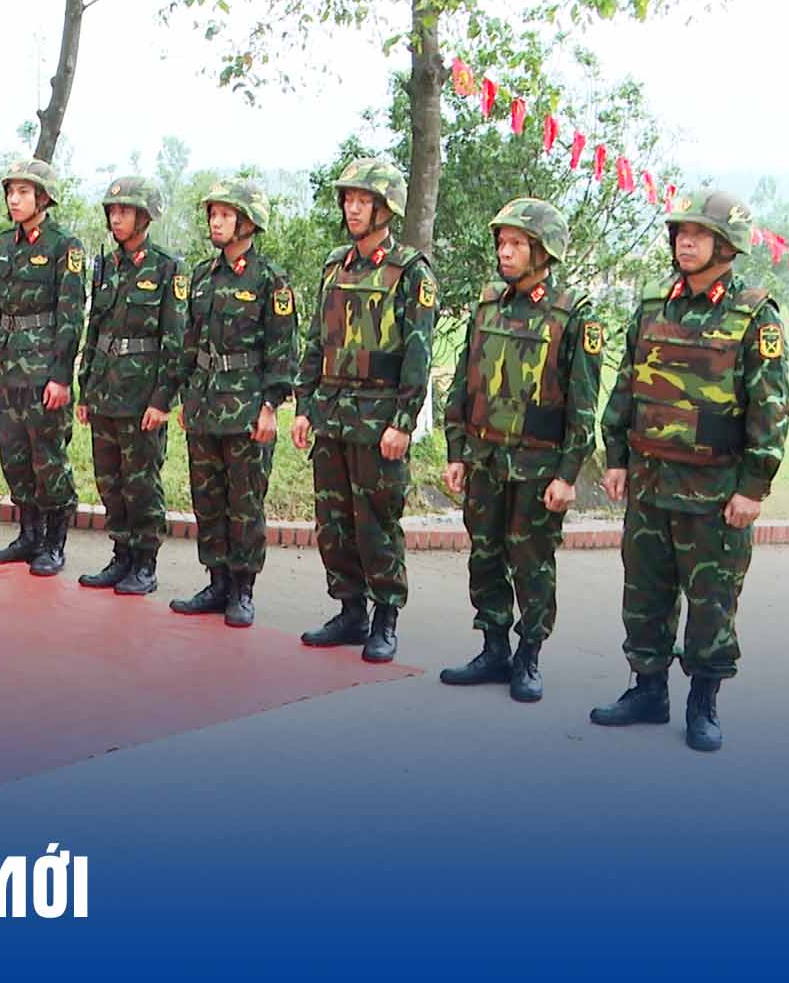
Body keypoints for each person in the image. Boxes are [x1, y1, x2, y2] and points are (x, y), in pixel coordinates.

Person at [590, 190, 789, 751]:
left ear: (727, 245)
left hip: (714, 493)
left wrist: (754, 487)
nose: (686, 241)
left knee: (711, 603)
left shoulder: (753, 315)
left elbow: (770, 408)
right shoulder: (654, 306)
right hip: (650, 484)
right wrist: (616, 456)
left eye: (699, 234)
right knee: (644, 593)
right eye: (681, 232)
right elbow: (627, 385)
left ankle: (704, 702)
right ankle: (647, 690)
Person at [437, 198, 601, 702]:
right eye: (501, 243)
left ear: (543, 252)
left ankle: (528, 654)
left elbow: (582, 402)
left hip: (538, 467)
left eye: (516, 245)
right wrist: (456, 450)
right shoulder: (487, 305)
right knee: (484, 557)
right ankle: (493, 648)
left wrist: (568, 474)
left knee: (532, 563)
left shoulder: (572, 315)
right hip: (485, 459)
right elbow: (463, 383)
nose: (504, 253)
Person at [292, 156, 438, 663]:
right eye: (349, 200)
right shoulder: (335, 266)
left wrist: (404, 421)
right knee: (333, 523)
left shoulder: (410, 272)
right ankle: (350, 611)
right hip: (331, 414)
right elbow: (317, 340)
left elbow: (418, 354)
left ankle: (385, 618)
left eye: (363, 201)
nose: (352, 209)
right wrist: (304, 405)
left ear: (385, 209)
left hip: (379, 421)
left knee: (376, 522)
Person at [163, 177, 297, 626]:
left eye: (225, 215)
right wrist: (183, 396)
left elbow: (282, 351)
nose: (216, 223)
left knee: (245, 502)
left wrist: (270, 407)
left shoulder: (270, 281)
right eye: (213, 215)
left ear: (248, 223)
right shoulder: (203, 276)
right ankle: (216, 580)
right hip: (204, 405)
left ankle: (242, 588)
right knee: (208, 499)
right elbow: (189, 343)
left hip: (246, 409)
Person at [0, 158, 87, 577]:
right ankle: (28, 535)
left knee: (48, 458)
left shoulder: (64, 246)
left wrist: (61, 376)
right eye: (10, 191)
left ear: (43, 198)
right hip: (8, 369)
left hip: (43, 371)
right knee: (15, 457)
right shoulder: (4, 245)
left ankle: (54, 542)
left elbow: (70, 316)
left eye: (23, 192)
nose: (14, 199)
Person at [75, 176, 185, 595]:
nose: (116, 218)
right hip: (105, 392)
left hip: (141, 398)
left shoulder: (166, 268)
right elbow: (95, 329)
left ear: (145, 217)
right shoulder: (106, 265)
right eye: (113, 211)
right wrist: (85, 388)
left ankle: (145, 562)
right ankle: (121, 556)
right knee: (110, 481)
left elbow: (175, 340)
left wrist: (162, 399)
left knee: (142, 484)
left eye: (125, 211)